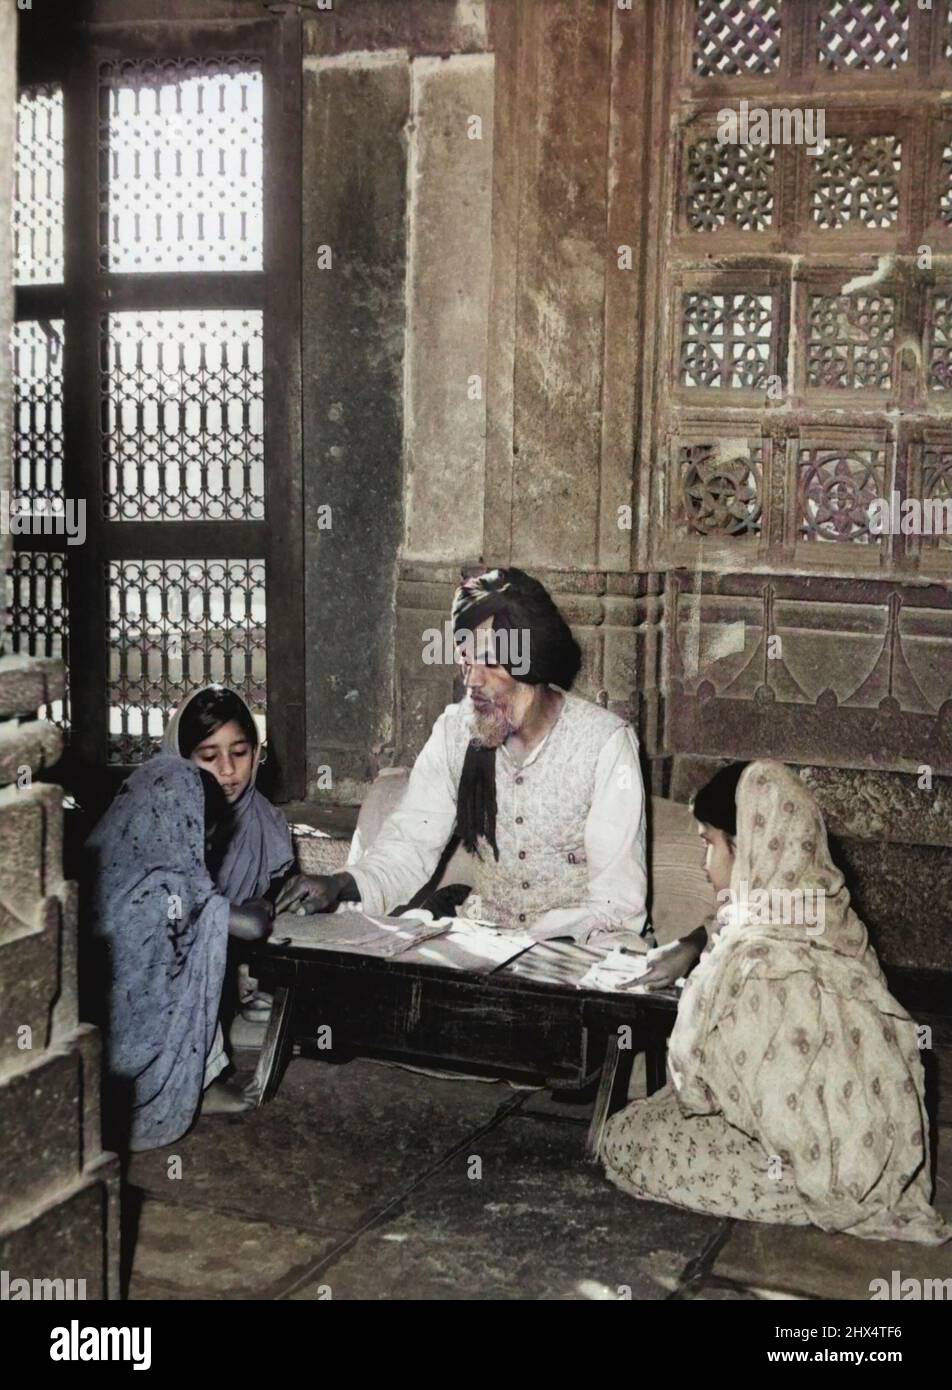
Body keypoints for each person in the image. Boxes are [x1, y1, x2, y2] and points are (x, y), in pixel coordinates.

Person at [601, 759, 949, 1244]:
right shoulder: (826, 910)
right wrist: (695, 947)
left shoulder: (755, 957)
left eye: (708, 844)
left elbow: (701, 1090)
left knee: (626, 1137)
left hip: (808, 1159)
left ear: (747, 847)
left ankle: (817, 1195)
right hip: (881, 1144)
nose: (705, 866)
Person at [276, 568, 650, 947]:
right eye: (466, 660)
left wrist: (534, 945)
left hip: (577, 946)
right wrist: (339, 884)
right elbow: (408, 846)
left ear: (532, 662)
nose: (471, 680)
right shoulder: (456, 732)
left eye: (489, 663)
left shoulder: (605, 744)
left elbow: (616, 902)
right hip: (483, 941)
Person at [86, 754, 273, 1152]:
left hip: (94, 1059)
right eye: (202, 838)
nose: (203, 850)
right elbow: (252, 927)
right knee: (208, 930)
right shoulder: (171, 884)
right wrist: (262, 904)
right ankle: (195, 1088)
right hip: (137, 1063)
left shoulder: (105, 862)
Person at [164, 686, 295, 1026]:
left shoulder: (266, 825)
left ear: (256, 753)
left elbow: (263, 915)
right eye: (208, 757)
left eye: (239, 752)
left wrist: (250, 976)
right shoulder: (159, 823)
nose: (227, 770)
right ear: (180, 757)